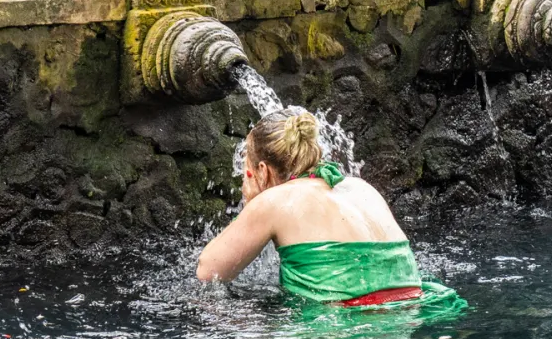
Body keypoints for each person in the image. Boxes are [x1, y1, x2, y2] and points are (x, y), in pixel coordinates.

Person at [197, 107, 463, 308]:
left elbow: (209, 272)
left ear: (263, 171)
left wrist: (252, 206)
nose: (244, 183)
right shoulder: (360, 186)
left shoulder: (274, 200)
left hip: (342, 323)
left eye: (246, 173)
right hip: (413, 308)